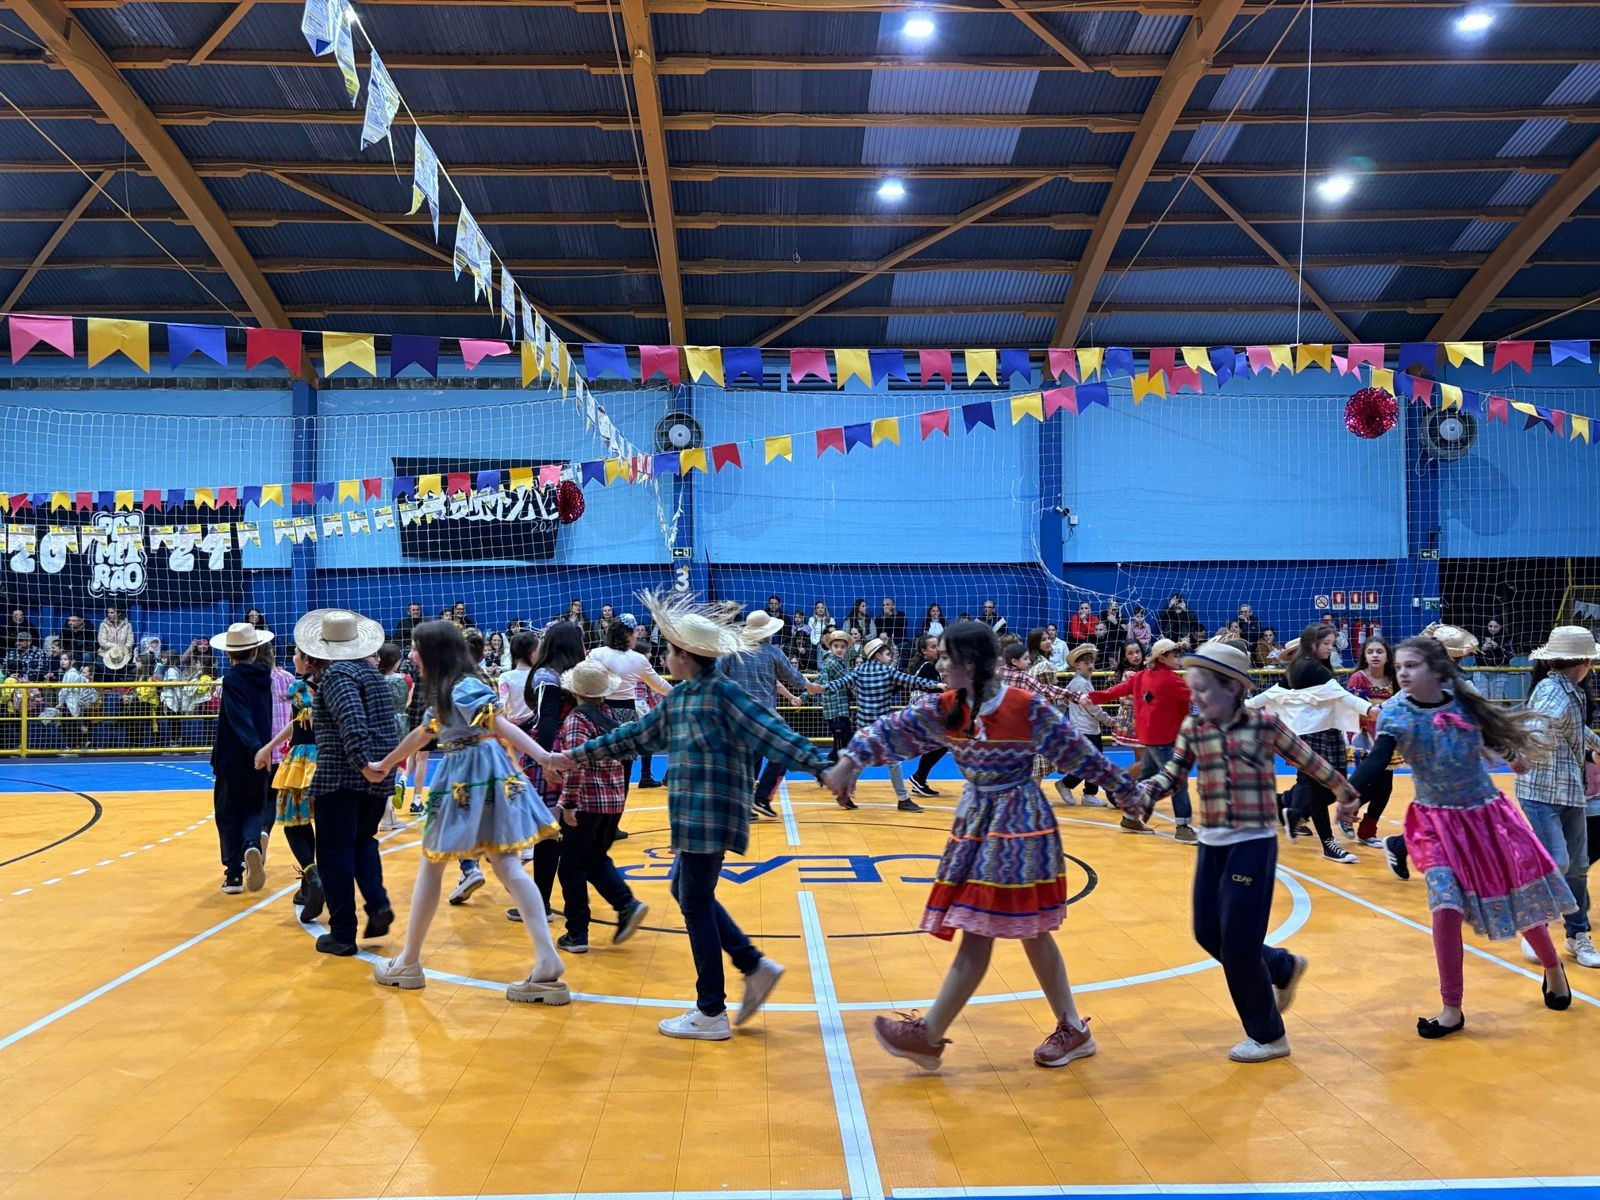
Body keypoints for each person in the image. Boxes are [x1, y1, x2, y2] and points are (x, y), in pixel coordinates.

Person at [825, 620, 1144, 1071]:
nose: (941, 665)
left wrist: (1126, 790)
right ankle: (1073, 1028)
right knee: (1032, 931)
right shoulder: (949, 707)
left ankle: (929, 1036)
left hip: (1019, 828)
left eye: (948, 658)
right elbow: (893, 730)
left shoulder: (1024, 707)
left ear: (971, 664)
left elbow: (1079, 753)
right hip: (978, 823)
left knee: (980, 928)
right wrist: (851, 759)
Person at [547, 589, 833, 1041]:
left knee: (694, 899)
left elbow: (772, 732)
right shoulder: (683, 698)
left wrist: (823, 767)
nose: (664, 656)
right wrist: (573, 756)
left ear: (685, 657)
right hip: (693, 815)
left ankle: (711, 1009)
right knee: (685, 889)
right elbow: (633, 736)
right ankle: (751, 965)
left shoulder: (723, 695)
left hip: (710, 814)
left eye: (670, 650)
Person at [1139, 642, 1357, 1062]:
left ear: (1233, 688)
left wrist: (1346, 792)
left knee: (1239, 944)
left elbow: (1309, 761)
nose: (1196, 697)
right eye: (1193, 689)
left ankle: (1269, 1035)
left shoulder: (1265, 725)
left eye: (1204, 689)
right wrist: (1147, 791)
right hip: (1212, 844)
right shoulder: (1194, 728)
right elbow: (1173, 774)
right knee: (1208, 933)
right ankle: (1278, 966)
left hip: (1253, 844)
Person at [1349, 636, 1575, 1037]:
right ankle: (1451, 1007)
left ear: (1437, 670)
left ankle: (1553, 966)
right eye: (1399, 667)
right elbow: (1380, 756)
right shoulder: (1396, 713)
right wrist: (1351, 790)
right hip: (1435, 825)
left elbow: (1492, 736)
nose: (1402, 672)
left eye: (1411, 665)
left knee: (1516, 897)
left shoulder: (1464, 701)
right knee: (1445, 906)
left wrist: (1512, 757)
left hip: (1485, 819)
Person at [363, 621, 568, 1003]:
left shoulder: (462, 687)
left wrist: (544, 756)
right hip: (485, 774)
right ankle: (546, 960)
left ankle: (408, 962)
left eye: (415, 647)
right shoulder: (452, 688)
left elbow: (499, 724)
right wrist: (387, 763)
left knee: (434, 863)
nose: (411, 655)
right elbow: (423, 733)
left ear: (434, 652)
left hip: (467, 776)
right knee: (506, 865)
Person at [296, 609, 399, 956]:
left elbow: (352, 719)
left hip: (344, 776)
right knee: (362, 842)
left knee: (333, 854)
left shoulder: (338, 675)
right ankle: (377, 903)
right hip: (377, 777)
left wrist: (361, 762)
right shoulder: (371, 674)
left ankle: (342, 933)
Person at [549, 660, 651, 955]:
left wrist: (569, 803)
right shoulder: (609, 716)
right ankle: (626, 904)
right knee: (594, 858)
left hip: (586, 803)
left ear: (575, 692)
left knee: (571, 867)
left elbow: (575, 762)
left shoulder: (577, 721)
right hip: (613, 802)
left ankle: (577, 932)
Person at [1515, 626, 1600, 970]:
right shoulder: (1553, 691)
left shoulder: (1571, 691)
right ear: (1583, 662)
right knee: (1558, 863)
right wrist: (1527, 752)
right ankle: (1535, 931)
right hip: (1540, 792)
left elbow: (1575, 729)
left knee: (1577, 866)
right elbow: (1538, 728)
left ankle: (1577, 935)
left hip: (1570, 791)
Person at [500, 622, 587, 922]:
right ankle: (580, 912)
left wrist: (546, 761)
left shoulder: (547, 676)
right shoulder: (582, 673)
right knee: (574, 831)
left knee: (547, 833)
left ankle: (542, 904)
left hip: (554, 751)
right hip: (582, 748)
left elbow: (547, 720)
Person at [1085, 639, 1194, 841]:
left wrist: (1092, 697)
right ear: (1162, 658)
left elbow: (1115, 691)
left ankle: (1130, 818)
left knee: (1146, 776)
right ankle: (1183, 827)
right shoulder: (1172, 681)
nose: (1178, 659)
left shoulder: (1141, 676)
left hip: (1148, 737)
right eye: (1175, 655)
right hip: (1165, 739)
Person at [1273, 623, 1364, 864]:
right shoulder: (1305, 669)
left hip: (1329, 732)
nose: (1330, 648)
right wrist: (1369, 709)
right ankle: (1326, 841)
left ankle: (1294, 812)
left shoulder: (1318, 668)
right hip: (1312, 734)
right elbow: (1340, 695)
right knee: (1313, 786)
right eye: (1326, 643)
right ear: (1311, 645)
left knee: (1328, 786)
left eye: (1331, 643)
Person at [822, 636, 943, 812]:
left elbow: (839, 683)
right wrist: (937, 684)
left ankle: (844, 793)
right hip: (881, 728)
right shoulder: (888, 671)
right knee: (893, 761)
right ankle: (903, 799)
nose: (890, 657)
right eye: (887, 654)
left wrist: (820, 688)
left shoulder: (859, 670)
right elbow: (913, 681)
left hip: (864, 727)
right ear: (878, 656)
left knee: (861, 760)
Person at [721, 610, 823, 818]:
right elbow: (793, 676)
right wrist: (810, 686)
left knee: (748, 759)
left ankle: (743, 805)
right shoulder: (772, 652)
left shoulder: (732, 650)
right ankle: (761, 798)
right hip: (763, 718)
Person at [256, 647, 323, 922]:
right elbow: (298, 722)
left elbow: (299, 725)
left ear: (307, 660)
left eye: (296, 654)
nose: (293, 658)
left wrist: (268, 747)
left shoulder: (300, 688)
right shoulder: (336, 683)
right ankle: (313, 882)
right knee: (327, 823)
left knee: (294, 821)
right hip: (330, 757)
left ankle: (311, 873)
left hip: (303, 759)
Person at [208, 622, 276, 896]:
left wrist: (253, 746)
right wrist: (263, 750)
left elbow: (239, 718)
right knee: (253, 808)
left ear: (228, 653)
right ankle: (252, 845)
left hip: (233, 757)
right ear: (255, 651)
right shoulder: (265, 677)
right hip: (260, 757)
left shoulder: (232, 679)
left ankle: (234, 873)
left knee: (227, 814)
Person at [588, 613, 673, 791]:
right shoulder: (638, 659)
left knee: (598, 768)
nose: (636, 636)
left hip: (599, 714)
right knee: (624, 771)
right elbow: (660, 685)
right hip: (626, 715)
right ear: (627, 634)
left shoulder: (596, 654)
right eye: (634, 632)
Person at [1343, 635, 1399, 847]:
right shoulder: (1358, 678)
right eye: (1370, 651)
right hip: (1364, 738)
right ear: (1364, 656)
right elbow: (1353, 709)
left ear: (1387, 656)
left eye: (1379, 651)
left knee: (1385, 788)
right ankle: (1348, 812)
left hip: (1387, 738)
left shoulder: (1394, 679)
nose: (1375, 655)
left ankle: (1367, 832)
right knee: (1369, 783)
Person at [1058, 643, 1113, 808]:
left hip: (1091, 728)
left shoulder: (1081, 681)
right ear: (1077, 665)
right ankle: (1066, 784)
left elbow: (1063, 701)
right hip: (1084, 729)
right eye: (1086, 663)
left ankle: (1089, 793)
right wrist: (1109, 721)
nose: (1090, 665)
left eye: (1092, 662)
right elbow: (1093, 708)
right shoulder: (1080, 683)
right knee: (1090, 763)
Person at [907, 634, 949, 798]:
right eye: (933, 646)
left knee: (939, 743)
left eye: (937, 645)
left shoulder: (928, 665)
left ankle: (919, 779)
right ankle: (919, 778)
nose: (937, 649)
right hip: (924, 709)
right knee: (942, 742)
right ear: (924, 650)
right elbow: (934, 689)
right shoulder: (927, 667)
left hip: (924, 708)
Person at [817, 628, 857, 788]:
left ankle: (822, 772)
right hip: (836, 711)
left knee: (840, 745)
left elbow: (818, 682)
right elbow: (850, 680)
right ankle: (834, 777)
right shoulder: (833, 663)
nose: (839, 649)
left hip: (839, 710)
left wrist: (802, 697)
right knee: (842, 746)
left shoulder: (835, 662)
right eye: (836, 646)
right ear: (830, 647)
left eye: (842, 646)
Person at [97, 606, 135, 680]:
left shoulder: (127, 625)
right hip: (105, 652)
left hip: (123, 652)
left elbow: (130, 640)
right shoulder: (103, 625)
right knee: (100, 663)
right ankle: (116, 681)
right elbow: (102, 642)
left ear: (119, 613)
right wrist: (117, 646)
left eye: (112, 612)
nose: (109, 614)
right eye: (108, 612)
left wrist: (124, 649)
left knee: (126, 666)